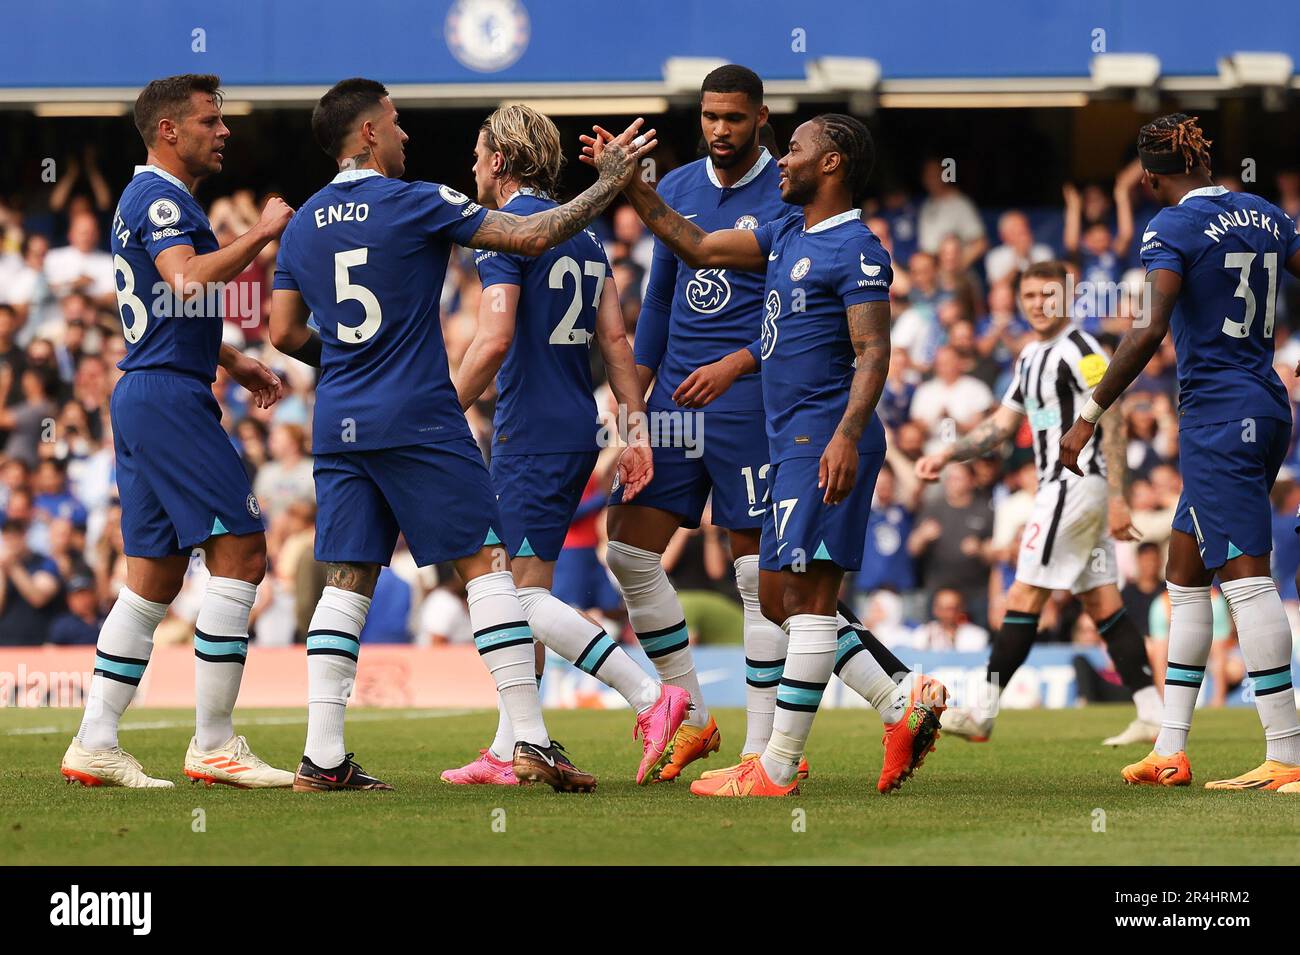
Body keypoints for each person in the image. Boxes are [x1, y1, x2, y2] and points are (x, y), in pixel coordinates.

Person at [269, 77, 652, 793]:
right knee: (487, 566)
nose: (407, 134)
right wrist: (609, 185)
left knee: (346, 578)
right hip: (417, 414)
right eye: (397, 121)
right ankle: (532, 740)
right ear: (370, 134)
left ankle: (322, 756)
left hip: (341, 419)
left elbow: (284, 332)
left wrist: (354, 357)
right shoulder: (419, 201)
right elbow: (534, 233)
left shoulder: (305, 221)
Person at [594, 66, 934, 785]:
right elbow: (679, 272)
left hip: (769, 412)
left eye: (735, 118)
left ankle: (767, 752)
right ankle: (704, 716)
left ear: (762, 119)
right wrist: (637, 406)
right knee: (634, 549)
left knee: (770, 582)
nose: (721, 129)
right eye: (710, 116)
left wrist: (739, 365)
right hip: (690, 404)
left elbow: (850, 342)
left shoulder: (802, 216)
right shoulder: (726, 203)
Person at [441, 104, 686, 788]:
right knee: (527, 586)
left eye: (477, 151)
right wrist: (634, 432)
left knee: (509, 598)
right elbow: (615, 341)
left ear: (499, 161)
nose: (471, 165)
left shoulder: (505, 234)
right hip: (575, 426)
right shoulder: (584, 237)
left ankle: (649, 696)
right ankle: (515, 743)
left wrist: (437, 411)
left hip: (529, 431)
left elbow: (492, 340)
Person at [61, 74, 294, 790]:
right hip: (165, 397)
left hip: (148, 390)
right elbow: (188, 279)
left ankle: (95, 739)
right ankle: (215, 742)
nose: (222, 132)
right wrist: (261, 232)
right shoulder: (159, 197)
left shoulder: (154, 200)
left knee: (155, 577)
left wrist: (229, 355)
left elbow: (163, 299)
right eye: (208, 120)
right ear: (168, 130)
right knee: (244, 549)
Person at [1060, 114, 1300, 794]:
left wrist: (1089, 413)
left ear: (1147, 176)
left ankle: (1288, 752)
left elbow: (1148, 329)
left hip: (1219, 416)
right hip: (1262, 405)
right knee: (1185, 568)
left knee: (1247, 578)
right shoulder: (1265, 213)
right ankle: (1171, 748)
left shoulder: (1170, 228)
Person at [917, 260, 1162, 745]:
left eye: (1048, 294)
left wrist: (1117, 497)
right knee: (1102, 601)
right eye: (1029, 296)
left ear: (1067, 297)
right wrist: (949, 452)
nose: (1038, 304)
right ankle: (1152, 710)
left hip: (1075, 485)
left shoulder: (1083, 349)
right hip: (1068, 491)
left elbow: (1109, 417)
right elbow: (1002, 428)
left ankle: (983, 710)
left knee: (1024, 593)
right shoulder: (1030, 357)